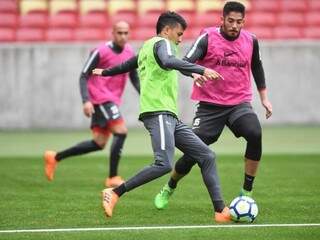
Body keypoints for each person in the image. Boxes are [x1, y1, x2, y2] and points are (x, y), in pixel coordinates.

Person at [92, 11, 231, 222]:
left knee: (206, 156)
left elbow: (128, 65)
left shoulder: (148, 47)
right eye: (179, 33)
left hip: (169, 116)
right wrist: (201, 69)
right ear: (167, 30)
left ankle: (220, 211)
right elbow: (168, 61)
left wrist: (105, 72)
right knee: (164, 163)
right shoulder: (163, 43)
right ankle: (114, 192)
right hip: (158, 113)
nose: (181, 38)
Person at [154, 1, 273, 210]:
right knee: (193, 153)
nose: (235, 25)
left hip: (239, 104)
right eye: (230, 21)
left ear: (244, 21)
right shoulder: (208, 37)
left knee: (254, 133)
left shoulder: (251, 40)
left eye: (239, 22)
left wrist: (264, 98)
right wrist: (194, 73)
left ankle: (246, 192)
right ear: (222, 19)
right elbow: (186, 61)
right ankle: (170, 186)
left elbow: (257, 67)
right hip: (210, 106)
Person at [44, 21, 140, 188]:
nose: (123, 36)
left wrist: (143, 94)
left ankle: (55, 157)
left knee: (99, 143)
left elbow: (133, 76)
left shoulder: (130, 51)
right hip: (100, 98)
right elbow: (83, 75)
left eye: (126, 33)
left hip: (112, 99)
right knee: (121, 131)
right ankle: (112, 177)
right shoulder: (100, 51)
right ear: (112, 33)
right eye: (119, 33)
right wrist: (85, 100)